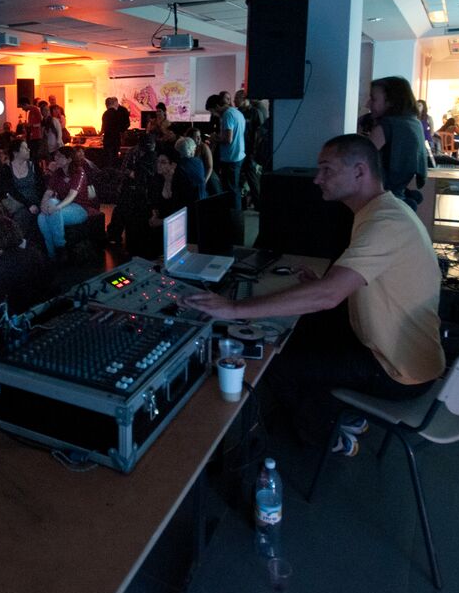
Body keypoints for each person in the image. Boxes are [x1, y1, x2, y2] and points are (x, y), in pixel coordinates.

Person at [182, 134, 444, 457]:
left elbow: (328, 296)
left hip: (399, 373)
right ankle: (341, 413)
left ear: (359, 171)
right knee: (302, 335)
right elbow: (363, 284)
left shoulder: (383, 223)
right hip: (401, 355)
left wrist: (233, 308)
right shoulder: (384, 211)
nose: (318, 178)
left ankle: (328, 436)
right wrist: (325, 283)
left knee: (279, 364)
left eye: (327, 169)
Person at [365, 76, 427, 212]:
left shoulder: (386, 126)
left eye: (373, 99)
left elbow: (359, 161)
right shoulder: (415, 123)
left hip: (381, 201)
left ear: (391, 102)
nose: (367, 104)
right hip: (399, 198)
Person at [36, 146, 96, 259]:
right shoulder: (58, 173)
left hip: (80, 208)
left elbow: (71, 196)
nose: (56, 158)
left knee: (53, 210)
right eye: (56, 155)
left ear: (69, 159)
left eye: (59, 156)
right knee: (41, 216)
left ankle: (60, 247)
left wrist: (57, 207)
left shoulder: (79, 172)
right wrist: (43, 205)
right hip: (63, 205)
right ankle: (51, 253)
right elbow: (48, 192)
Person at [0, 138, 43, 237]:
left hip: (35, 200)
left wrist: (41, 202)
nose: (28, 150)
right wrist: (28, 204)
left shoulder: (33, 165)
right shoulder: (7, 168)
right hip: (19, 202)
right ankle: (19, 241)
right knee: (22, 215)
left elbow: (41, 185)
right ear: (15, 153)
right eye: (25, 148)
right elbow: (11, 189)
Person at [211, 92, 246, 211]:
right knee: (235, 188)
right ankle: (235, 214)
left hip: (231, 157)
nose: (213, 114)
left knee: (231, 189)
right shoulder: (237, 112)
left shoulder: (227, 115)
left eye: (212, 111)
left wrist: (215, 138)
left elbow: (228, 139)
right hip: (238, 154)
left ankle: (234, 215)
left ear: (217, 107)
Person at [100, 96, 130, 166]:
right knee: (114, 157)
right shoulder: (117, 113)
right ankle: (114, 170)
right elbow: (124, 125)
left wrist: (101, 133)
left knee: (108, 158)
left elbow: (104, 127)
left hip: (107, 139)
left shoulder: (105, 114)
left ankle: (108, 170)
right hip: (116, 138)